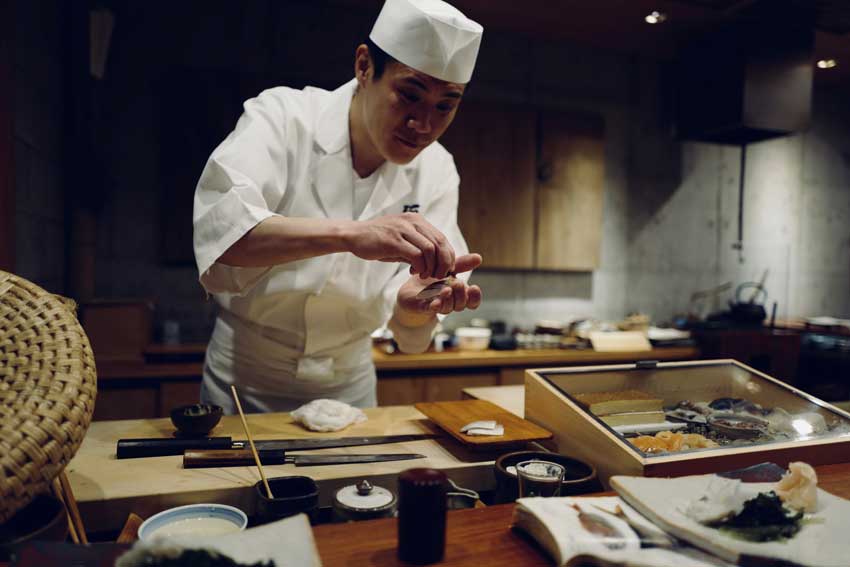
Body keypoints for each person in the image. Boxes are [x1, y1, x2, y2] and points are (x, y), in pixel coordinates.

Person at [192, 0, 484, 413]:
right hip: (244, 380)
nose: (423, 125)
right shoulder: (282, 118)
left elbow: (411, 321)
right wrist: (352, 235)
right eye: (409, 95)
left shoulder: (437, 168)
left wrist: (413, 308)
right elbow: (224, 235)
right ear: (364, 66)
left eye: (445, 105)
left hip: (350, 387)